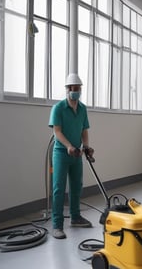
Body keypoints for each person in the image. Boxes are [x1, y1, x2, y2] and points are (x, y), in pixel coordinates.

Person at [48, 73, 94, 239]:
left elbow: (84, 130)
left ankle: (75, 217)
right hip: (61, 153)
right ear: (67, 90)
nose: (75, 91)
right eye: (72, 89)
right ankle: (57, 225)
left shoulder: (82, 109)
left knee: (76, 186)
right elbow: (57, 132)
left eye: (78, 89)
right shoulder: (58, 108)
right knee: (59, 189)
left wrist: (86, 146)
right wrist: (68, 146)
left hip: (77, 153)